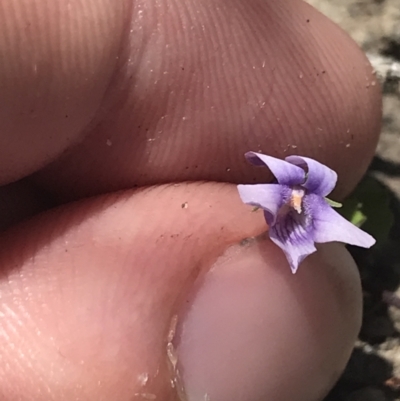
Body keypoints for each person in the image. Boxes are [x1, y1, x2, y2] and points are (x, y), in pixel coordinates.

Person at [0, 0, 381, 400]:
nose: (293, 204)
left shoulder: (303, 193)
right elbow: (266, 193)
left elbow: (299, 207)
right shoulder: (279, 193)